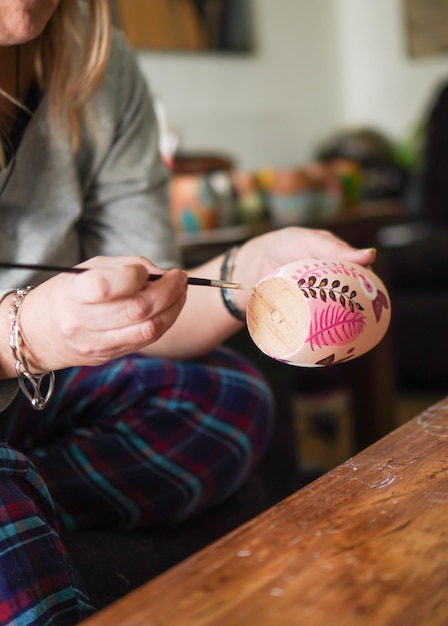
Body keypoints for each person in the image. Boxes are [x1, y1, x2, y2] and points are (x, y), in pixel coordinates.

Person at [0, 1, 377, 624]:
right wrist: (24, 334)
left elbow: (151, 312)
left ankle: (21, 494)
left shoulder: (100, 63)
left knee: (228, 396)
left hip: (29, 402)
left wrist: (247, 272)